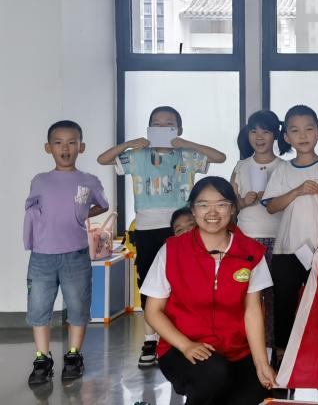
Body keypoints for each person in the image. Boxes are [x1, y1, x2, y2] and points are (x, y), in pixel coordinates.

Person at [97, 105, 226, 368]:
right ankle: (150, 340)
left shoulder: (186, 154)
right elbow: (103, 159)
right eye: (156, 124)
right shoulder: (138, 155)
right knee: (149, 283)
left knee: (186, 282)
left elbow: (220, 157)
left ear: (178, 129)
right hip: (147, 227)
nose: (162, 128)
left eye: (169, 124)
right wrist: (130, 143)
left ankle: (185, 335)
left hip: (183, 226)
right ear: (148, 128)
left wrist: (186, 143)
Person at [141, 176, 276, 404]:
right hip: (180, 348)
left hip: (236, 351)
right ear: (193, 211)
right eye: (203, 205)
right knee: (213, 374)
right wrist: (185, 345)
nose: (212, 212)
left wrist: (262, 363)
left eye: (221, 204)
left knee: (257, 394)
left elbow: (252, 311)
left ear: (233, 209)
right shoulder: (172, 250)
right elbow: (153, 311)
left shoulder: (251, 252)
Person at [24, 120, 110, 385]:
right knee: (39, 307)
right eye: (59, 143)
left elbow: (103, 205)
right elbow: (32, 210)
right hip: (42, 256)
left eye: (72, 143)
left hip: (75, 254)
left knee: (78, 306)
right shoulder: (40, 181)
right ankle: (42, 358)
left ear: (81, 147)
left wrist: (83, 214)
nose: (65, 148)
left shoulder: (89, 181)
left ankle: (74, 355)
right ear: (48, 147)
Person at [263, 105, 318, 352]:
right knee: (284, 304)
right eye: (295, 130)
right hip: (286, 249)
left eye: (309, 129)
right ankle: (282, 356)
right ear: (286, 137)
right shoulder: (282, 169)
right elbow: (271, 206)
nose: (303, 135)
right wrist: (297, 191)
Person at [231, 109, 290, 353]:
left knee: (274, 296)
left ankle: (271, 348)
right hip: (247, 238)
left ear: (275, 135)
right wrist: (243, 202)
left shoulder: (285, 167)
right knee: (245, 294)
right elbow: (229, 205)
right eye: (254, 131)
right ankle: (245, 346)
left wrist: (274, 199)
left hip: (279, 237)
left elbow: (293, 204)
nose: (259, 136)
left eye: (265, 131)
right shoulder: (241, 166)